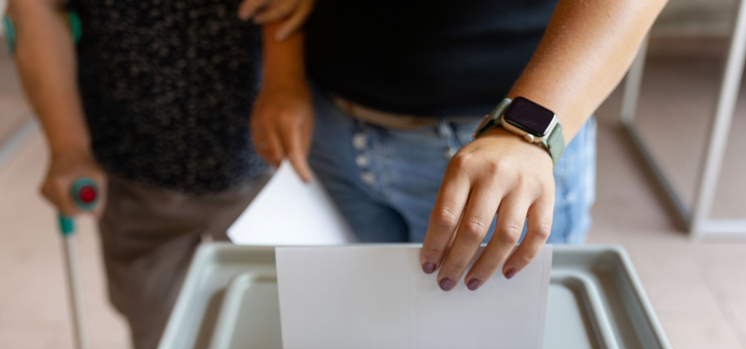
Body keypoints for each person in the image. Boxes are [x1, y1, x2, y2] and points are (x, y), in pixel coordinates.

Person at [251, 0, 667, 291]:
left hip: (499, 150)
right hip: (326, 122)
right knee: (357, 329)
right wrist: (282, 74)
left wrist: (527, 127)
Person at [7, 0, 311, 349]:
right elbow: (34, 8)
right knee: (158, 344)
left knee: (279, 334)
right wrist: (68, 147)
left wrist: (285, 83)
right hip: (132, 163)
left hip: (268, 162)